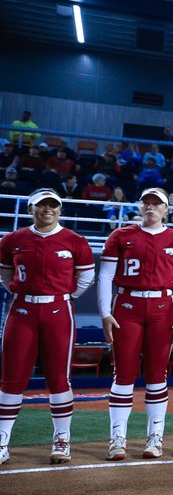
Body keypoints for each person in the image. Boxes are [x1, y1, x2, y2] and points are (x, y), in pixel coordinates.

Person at [0, 189, 95, 465]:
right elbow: (4, 273)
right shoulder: (13, 239)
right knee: (12, 378)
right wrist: (20, 292)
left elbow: (85, 277)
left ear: (60, 210)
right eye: (42, 205)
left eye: (53, 205)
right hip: (22, 310)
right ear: (31, 209)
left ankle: (62, 440)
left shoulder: (74, 240)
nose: (48, 210)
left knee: (59, 378)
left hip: (58, 311)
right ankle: (3, 441)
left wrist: (62, 296)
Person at [97, 187, 173, 460]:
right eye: (146, 203)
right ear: (140, 206)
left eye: (157, 203)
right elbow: (105, 277)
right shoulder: (121, 235)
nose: (151, 207)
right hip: (127, 305)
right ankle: (117, 438)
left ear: (166, 209)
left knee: (156, 374)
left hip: (163, 307)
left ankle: (155, 438)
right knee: (123, 373)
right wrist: (105, 312)